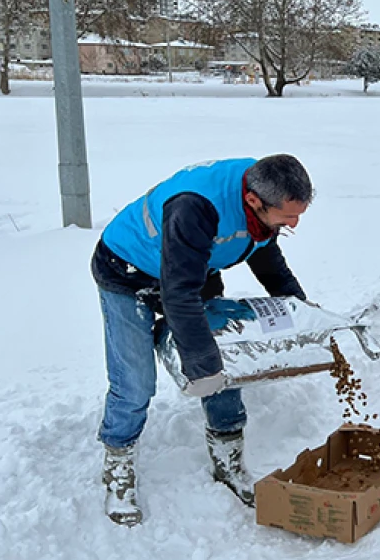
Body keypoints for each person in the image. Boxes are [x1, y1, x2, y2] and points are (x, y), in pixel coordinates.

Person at [90, 154, 313, 526]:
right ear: (254, 201)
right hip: (127, 272)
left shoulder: (263, 187)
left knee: (226, 360)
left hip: (192, 264)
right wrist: (201, 367)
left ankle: (228, 457)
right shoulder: (195, 207)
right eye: (289, 216)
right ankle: (118, 460)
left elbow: (267, 258)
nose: (294, 224)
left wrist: (301, 311)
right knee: (135, 381)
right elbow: (179, 296)